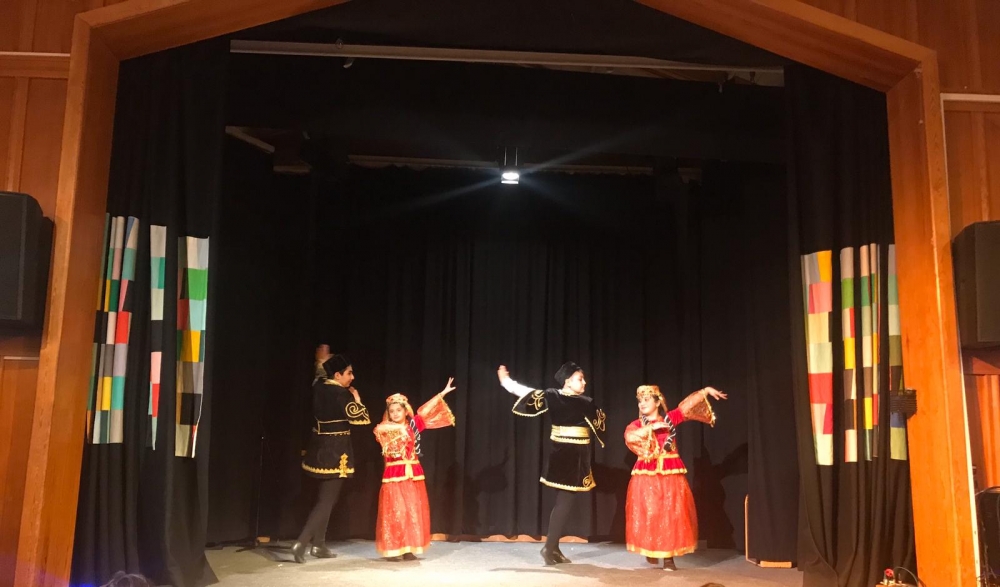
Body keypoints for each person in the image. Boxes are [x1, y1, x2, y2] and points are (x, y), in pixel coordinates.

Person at [497, 362, 606, 565]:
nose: (584, 382)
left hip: (572, 454)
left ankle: (553, 548)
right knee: (565, 501)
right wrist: (506, 382)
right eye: (579, 378)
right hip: (568, 455)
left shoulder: (585, 402)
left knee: (564, 501)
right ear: (567, 381)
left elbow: (600, 423)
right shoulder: (553, 396)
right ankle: (549, 548)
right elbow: (526, 392)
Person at [624, 384, 727, 571]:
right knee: (650, 514)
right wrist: (651, 428)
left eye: (646, 400)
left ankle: (668, 559)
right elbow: (630, 437)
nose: (642, 404)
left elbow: (686, 408)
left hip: (670, 476)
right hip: (646, 476)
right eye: (640, 401)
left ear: (657, 402)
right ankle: (651, 547)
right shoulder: (638, 424)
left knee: (670, 514)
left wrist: (704, 392)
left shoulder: (669, 419)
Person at [291, 353, 371, 563]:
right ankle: (302, 542)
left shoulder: (318, 387)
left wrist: (320, 362)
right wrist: (357, 400)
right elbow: (361, 419)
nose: (352, 377)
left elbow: (319, 378)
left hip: (318, 448)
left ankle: (319, 544)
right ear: (337, 375)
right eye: (349, 373)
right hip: (336, 452)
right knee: (326, 501)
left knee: (324, 499)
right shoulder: (341, 394)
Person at [372, 378, 458, 560]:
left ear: (405, 410)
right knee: (396, 511)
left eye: (399, 410)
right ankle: (394, 549)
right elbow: (385, 440)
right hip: (394, 474)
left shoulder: (412, 426)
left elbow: (425, 412)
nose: (395, 414)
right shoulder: (384, 429)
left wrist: (442, 394)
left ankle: (408, 548)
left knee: (412, 511)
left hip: (413, 474)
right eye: (392, 411)